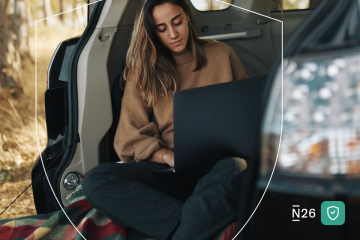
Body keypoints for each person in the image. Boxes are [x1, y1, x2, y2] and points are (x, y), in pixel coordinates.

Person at [82, 0, 249, 239]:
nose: (173, 33)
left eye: (177, 22)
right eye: (161, 28)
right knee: (96, 181)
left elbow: (249, 112)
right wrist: (167, 156)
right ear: (152, 32)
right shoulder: (143, 71)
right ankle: (197, 221)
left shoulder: (222, 54)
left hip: (221, 167)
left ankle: (189, 225)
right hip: (171, 170)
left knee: (237, 167)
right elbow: (129, 138)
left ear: (188, 16)